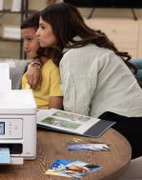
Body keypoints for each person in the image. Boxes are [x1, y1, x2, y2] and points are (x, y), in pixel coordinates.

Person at [35, 2, 142, 158]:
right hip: (130, 123)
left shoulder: (76, 55)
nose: (38, 33)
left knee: (54, 151)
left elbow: (76, 115)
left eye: (43, 27)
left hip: (124, 128)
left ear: (59, 27)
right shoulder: (86, 48)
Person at [20, 12, 63, 109]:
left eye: (29, 39)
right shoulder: (33, 65)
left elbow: (54, 112)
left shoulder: (55, 69)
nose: (25, 46)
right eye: (24, 40)